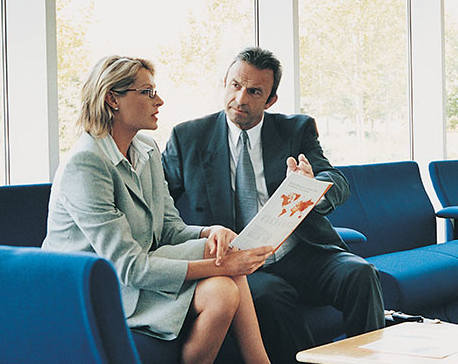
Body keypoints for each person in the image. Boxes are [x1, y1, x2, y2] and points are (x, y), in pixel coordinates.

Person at [44, 55, 273, 364]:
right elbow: (128, 267)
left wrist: (211, 230)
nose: (159, 101)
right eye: (147, 92)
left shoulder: (148, 150)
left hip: (137, 279)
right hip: (96, 290)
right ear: (112, 98)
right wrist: (225, 265)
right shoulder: (85, 164)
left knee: (223, 291)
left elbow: (169, 229)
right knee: (222, 263)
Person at [163, 47, 384, 363]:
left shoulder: (296, 129)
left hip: (300, 251)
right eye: (235, 85)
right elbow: (158, 204)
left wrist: (313, 187)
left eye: (255, 92)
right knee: (271, 296)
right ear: (224, 82)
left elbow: (336, 179)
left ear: (270, 101)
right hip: (241, 263)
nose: (241, 98)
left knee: (361, 274)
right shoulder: (188, 137)